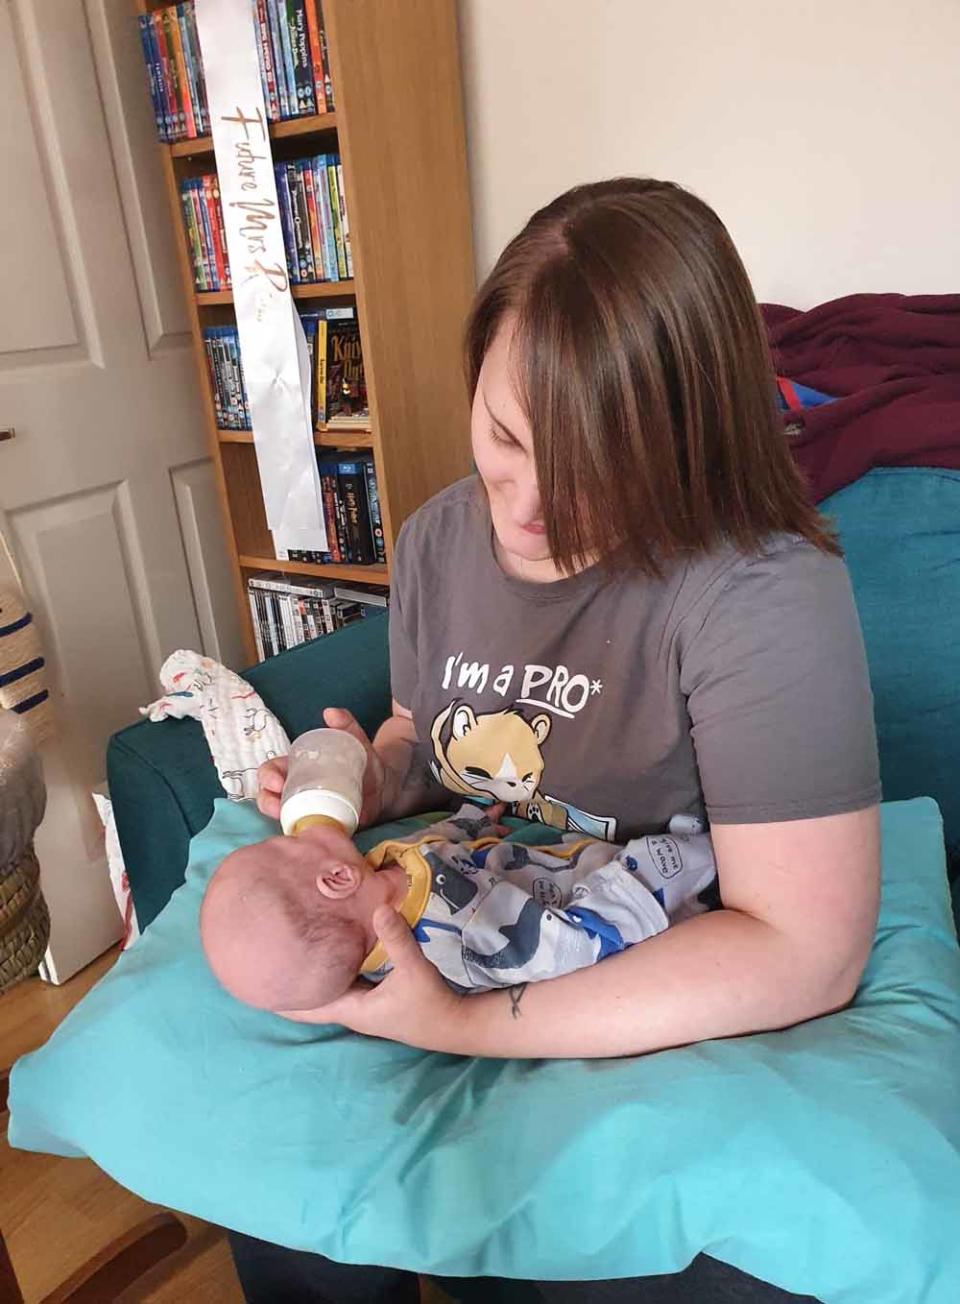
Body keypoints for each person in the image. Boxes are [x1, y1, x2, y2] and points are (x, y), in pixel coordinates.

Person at [231, 178, 881, 1304]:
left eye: (596, 467)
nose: (529, 507)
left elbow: (804, 948)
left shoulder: (761, 589)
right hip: (487, 881)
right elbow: (421, 723)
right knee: (285, 1192)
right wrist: (380, 774)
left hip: (654, 947)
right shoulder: (441, 535)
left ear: (685, 442)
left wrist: (467, 1023)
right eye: (506, 437)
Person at [200, 803, 718, 1010]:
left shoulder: (379, 871)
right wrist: (640, 880)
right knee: (694, 862)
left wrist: (472, 823)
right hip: (621, 910)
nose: (293, 832)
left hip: (563, 858)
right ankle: (694, 865)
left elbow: (430, 846)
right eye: (283, 844)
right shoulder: (456, 940)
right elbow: (560, 947)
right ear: (335, 878)